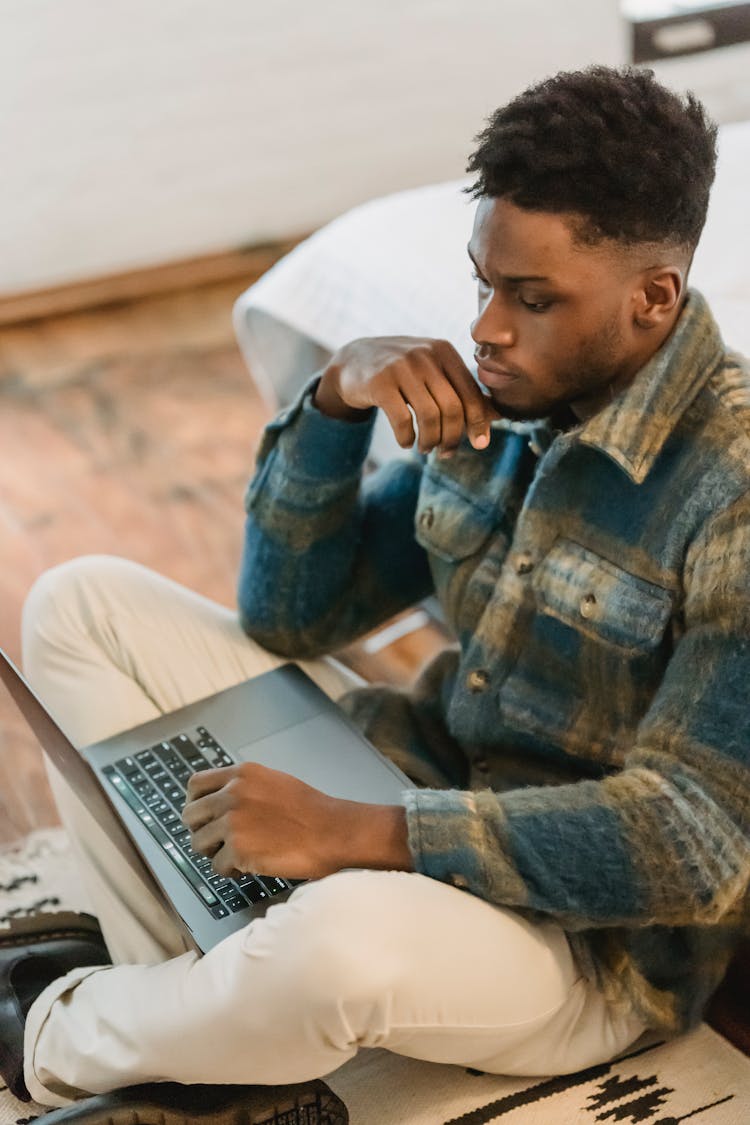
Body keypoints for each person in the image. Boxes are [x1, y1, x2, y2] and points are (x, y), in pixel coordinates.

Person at [2, 64, 748, 1118]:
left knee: (332, 949)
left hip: (578, 950)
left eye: (532, 301)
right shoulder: (503, 398)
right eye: (484, 283)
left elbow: (694, 842)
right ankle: (205, 1029)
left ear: (653, 299)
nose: (487, 328)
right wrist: (333, 400)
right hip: (405, 772)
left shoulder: (733, 494)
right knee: (81, 601)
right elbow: (292, 615)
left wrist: (365, 834)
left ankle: (58, 1031)